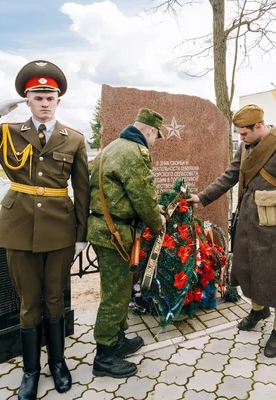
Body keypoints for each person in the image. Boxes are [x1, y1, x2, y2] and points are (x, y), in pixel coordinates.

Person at [0, 60, 90, 400]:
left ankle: (58, 364)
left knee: (55, 300)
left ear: (58, 100)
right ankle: (30, 372)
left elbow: (83, 190)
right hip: (20, 226)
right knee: (28, 303)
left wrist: (81, 234)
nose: (44, 102)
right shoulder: (7, 133)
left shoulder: (74, 140)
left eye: (50, 96)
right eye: (37, 95)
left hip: (60, 229)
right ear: (27, 99)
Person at [187, 104, 276, 358]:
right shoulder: (244, 146)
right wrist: (202, 197)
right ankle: (258, 310)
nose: (240, 138)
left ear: (258, 126)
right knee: (249, 270)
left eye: (244, 133)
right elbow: (230, 175)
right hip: (248, 221)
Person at [87, 108, 166, 377]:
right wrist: (158, 224)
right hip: (115, 233)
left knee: (118, 287)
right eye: (157, 136)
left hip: (106, 229)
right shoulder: (135, 152)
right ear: (150, 131)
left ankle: (118, 339)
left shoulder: (113, 147)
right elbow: (143, 196)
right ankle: (105, 355)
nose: (154, 142)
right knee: (115, 294)